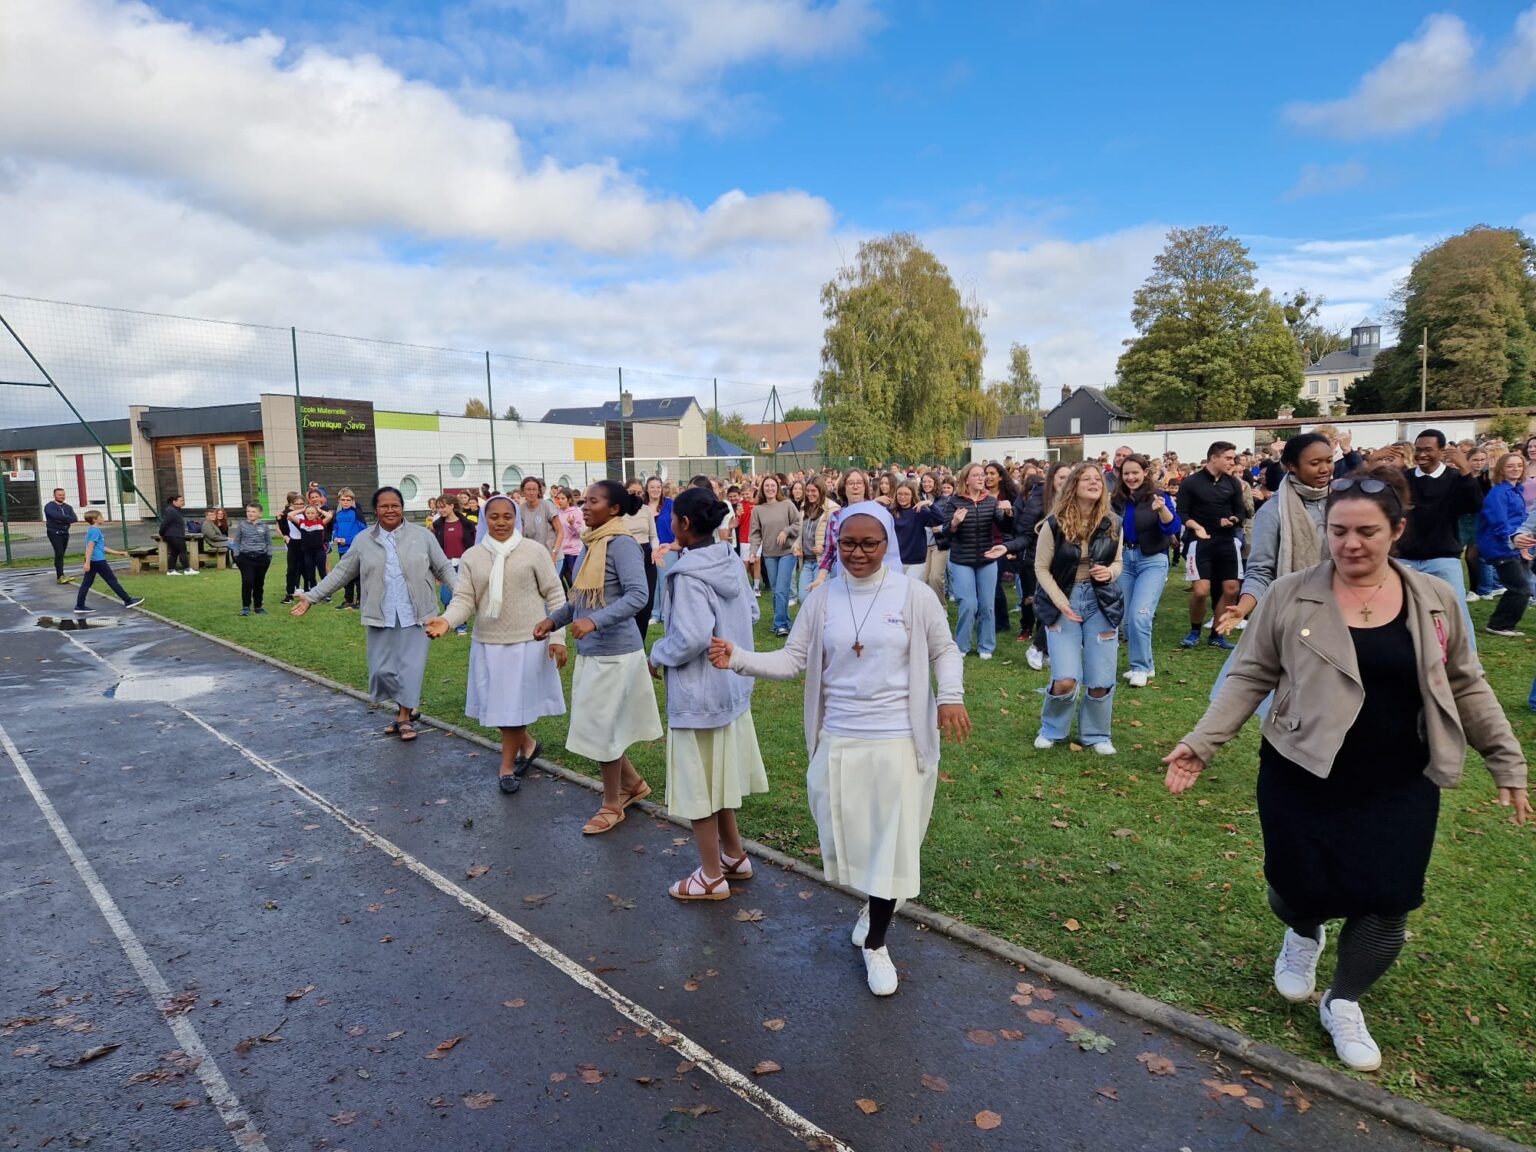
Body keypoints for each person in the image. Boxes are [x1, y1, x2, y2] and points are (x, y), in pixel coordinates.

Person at [1163, 465, 1529, 1073]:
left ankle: (1344, 1000)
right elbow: (1251, 673)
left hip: (1400, 777)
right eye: (1338, 531)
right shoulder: (1290, 594)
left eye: (1366, 532)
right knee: (1295, 889)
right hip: (1300, 770)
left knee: (1387, 899)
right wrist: (1203, 742)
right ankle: (1303, 934)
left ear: (1397, 531)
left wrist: (1506, 762)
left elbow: (1466, 683)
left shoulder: (1434, 599)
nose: (1350, 544)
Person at [711, 502, 970, 995]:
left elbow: (944, 650)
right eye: (848, 542)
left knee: (892, 845)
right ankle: (875, 898)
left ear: (887, 543)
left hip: (897, 737)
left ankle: (876, 944)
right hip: (840, 737)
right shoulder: (823, 598)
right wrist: (739, 658)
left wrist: (950, 697)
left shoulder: (913, 595)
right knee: (846, 836)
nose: (858, 552)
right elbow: (793, 660)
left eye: (869, 543)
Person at [649, 487, 768, 900]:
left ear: (682, 524)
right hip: (731, 686)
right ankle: (733, 855)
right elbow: (751, 612)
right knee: (718, 776)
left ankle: (711, 874)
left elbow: (691, 636)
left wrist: (657, 654)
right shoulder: (730, 560)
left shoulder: (687, 575)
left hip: (699, 693)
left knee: (698, 783)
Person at [533, 480, 662, 835]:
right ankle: (633, 785)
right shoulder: (592, 543)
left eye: (593, 501)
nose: (584, 506)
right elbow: (579, 599)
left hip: (616, 653)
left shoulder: (621, 544)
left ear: (615, 509)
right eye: (583, 500)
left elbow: (639, 595)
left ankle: (612, 804)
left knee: (602, 729)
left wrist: (595, 621)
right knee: (600, 726)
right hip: (593, 652)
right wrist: (554, 620)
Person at [292, 487, 455, 743]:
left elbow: (444, 567)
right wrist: (311, 596)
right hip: (381, 613)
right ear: (375, 510)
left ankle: (403, 716)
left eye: (395, 505)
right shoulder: (364, 539)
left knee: (409, 668)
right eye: (384, 506)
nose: (390, 510)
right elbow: (341, 572)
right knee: (381, 671)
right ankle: (407, 710)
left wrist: (462, 596)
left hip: (418, 613)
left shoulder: (422, 536)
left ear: (402, 508)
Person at [430, 494, 568, 793]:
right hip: (488, 643)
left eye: (508, 516)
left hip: (527, 642)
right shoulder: (472, 557)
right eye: (494, 517)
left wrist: (557, 637)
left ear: (516, 518)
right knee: (500, 707)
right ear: (484, 519)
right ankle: (528, 746)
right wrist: (447, 621)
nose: (501, 522)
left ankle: (506, 767)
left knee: (511, 709)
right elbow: (465, 599)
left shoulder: (534, 551)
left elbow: (556, 595)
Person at [1033, 463, 1124, 754]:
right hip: (1064, 601)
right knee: (1066, 680)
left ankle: (1097, 735)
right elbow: (1041, 568)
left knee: (1100, 679)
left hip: (1101, 603)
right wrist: (1061, 602)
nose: (1094, 483)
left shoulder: (1114, 523)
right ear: (1074, 485)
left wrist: (1109, 573)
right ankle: (1052, 729)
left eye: (1097, 479)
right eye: (1086, 479)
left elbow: (1119, 563)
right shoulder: (1054, 523)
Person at [1397, 430, 1483, 652]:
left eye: (1428, 450)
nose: (1421, 454)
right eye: (1418, 450)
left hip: (1443, 557)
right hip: (1406, 558)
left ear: (1442, 451)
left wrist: (1465, 470)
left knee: (1458, 613)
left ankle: (1469, 663)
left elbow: (1474, 505)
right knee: (1400, 613)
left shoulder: (1455, 479)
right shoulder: (1405, 479)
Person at [1113, 455, 1180, 687]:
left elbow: (1173, 527)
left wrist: (1162, 510)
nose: (1131, 477)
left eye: (1135, 472)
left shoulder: (1158, 497)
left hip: (1152, 560)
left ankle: (1139, 667)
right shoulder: (1118, 500)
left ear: (1145, 473)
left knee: (1140, 615)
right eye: (1126, 473)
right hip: (1125, 561)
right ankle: (1146, 665)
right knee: (1126, 620)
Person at [936, 462, 1010, 659]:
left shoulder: (991, 501)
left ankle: (986, 646)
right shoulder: (954, 502)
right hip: (962, 560)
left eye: (983, 475)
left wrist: (1008, 513)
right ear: (966, 480)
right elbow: (944, 534)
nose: (981, 478)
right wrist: (954, 524)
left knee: (987, 605)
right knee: (968, 604)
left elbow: (1005, 527)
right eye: (976, 475)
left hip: (987, 559)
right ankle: (962, 644)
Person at [1176, 442, 1245, 651]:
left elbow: (1241, 513)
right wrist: (1196, 527)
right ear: (1214, 458)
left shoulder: (1233, 483)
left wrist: (1232, 519)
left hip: (1226, 540)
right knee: (1200, 591)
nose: (1232, 463)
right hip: (1200, 541)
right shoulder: (1191, 483)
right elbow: (1183, 513)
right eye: (1229, 458)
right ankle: (1195, 630)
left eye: (1233, 459)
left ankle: (1217, 633)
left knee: (1232, 588)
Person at [1476, 452, 1532, 637]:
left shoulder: (1517, 491)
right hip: (1499, 547)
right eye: (1510, 466)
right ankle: (1499, 625)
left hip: (1514, 546)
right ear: (1501, 469)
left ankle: (1501, 624)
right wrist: (1513, 540)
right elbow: (1498, 522)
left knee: (1520, 587)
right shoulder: (1498, 493)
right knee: (1520, 588)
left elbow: (1521, 521)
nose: (1515, 469)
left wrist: (1523, 545)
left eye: (1519, 465)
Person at [748, 474, 802, 637]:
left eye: (773, 486)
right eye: (767, 486)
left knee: (781, 589)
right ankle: (785, 621)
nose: (770, 489)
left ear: (778, 488)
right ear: (762, 489)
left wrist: (786, 531)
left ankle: (779, 625)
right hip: (769, 554)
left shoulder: (787, 504)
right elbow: (755, 533)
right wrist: (753, 551)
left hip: (787, 552)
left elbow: (799, 524)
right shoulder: (758, 510)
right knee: (776, 590)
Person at [72, 510, 143, 614]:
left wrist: (118, 553)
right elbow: (90, 547)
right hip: (97, 561)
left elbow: (102, 547)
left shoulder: (93, 530)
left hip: (95, 561)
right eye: (100, 516)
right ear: (95, 519)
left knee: (86, 584)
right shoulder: (95, 531)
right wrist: (87, 563)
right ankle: (128, 600)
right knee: (111, 580)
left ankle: (79, 606)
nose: (103, 518)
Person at [622, 478, 662, 636]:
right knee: (629, 599)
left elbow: (654, 536)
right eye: (632, 492)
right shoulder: (618, 510)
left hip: (646, 555)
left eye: (639, 493)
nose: (636, 495)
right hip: (626, 554)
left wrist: (655, 549)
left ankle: (641, 642)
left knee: (647, 602)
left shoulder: (646, 510)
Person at [1460, 449, 1500, 600]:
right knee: (1456, 553)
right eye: (1476, 460)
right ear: (1468, 460)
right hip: (1462, 518)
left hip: (1480, 519)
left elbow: (1491, 498)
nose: (1479, 463)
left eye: (1482, 460)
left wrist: (1490, 478)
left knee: (1472, 556)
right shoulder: (1461, 477)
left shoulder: (1486, 478)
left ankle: (1475, 590)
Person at [430, 494, 473, 634]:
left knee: (460, 594)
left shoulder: (466, 524)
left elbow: (472, 546)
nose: (440, 510)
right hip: (445, 566)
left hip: (463, 565)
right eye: (438, 508)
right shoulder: (437, 526)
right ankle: (450, 621)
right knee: (446, 597)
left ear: (452, 506)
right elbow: (435, 548)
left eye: (443, 507)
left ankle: (461, 626)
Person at [228, 501, 275, 616]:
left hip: (262, 558)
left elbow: (268, 542)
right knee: (248, 581)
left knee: (259, 583)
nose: (250, 513)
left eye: (253, 512)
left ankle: (258, 606)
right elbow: (236, 542)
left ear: (260, 514)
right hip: (245, 558)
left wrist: (268, 556)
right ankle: (245, 606)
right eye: (248, 511)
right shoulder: (242, 525)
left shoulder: (264, 527)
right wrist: (236, 555)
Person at [796, 478, 836, 604]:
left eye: (813, 491)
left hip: (822, 561)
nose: (809, 494)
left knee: (819, 598)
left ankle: (820, 623)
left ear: (821, 490)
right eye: (807, 491)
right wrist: (797, 546)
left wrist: (824, 547)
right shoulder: (804, 508)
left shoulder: (832, 509)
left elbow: (837, 537)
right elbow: (800, 532)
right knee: (803, 597)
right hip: (807, 561)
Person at [330, 488, 367, 610]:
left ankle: (361, 600)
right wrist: (335, 538)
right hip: (342, 550)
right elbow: (335, 529)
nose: (345, 502)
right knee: (346, 576)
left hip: (356, 549)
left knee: (358, 576)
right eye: (343, 500)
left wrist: (348, 540)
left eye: (348, 500)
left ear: (352, 501)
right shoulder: (338, 514)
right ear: (339, 501)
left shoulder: (357, 513)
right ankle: (348, 600)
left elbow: (363, 531)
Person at [645, 476, 675, 627]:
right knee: (652, 583)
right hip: (649, 550)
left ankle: (665, 613)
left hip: (667, 548)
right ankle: (655, 613)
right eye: (652, 487)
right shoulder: (643, 507)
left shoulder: (670, 504)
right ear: (647, 489)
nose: (656, 490)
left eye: (658, 487)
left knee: (665, 582)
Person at [553, 486, 585, 588]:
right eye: (558, 498)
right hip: (560, 552)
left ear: (569, 500)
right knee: (558, 578)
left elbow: (581, 533)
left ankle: (577, 600)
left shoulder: (577, 512)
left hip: (573, 552)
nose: (560, 501)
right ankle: (565, 599)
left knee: (573, 579)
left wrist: (572, 524)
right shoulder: (557, 513)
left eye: (563, 498)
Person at [44, 487, 77, 584]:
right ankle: (60, 576)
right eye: (59, 495)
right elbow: (54, 516)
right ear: (54, 495)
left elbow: (74, 518)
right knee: (59, 553)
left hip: (65, 532)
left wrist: (62, 519)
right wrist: (66, 519)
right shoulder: (49, 506)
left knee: (62, 554)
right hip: (54, 532)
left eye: (63, 495)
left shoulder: (68, 507)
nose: (62, 496)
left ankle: (61, 575)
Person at [160, 494, 193, 576]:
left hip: (175, 534)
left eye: (182, 501)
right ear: (174, 502)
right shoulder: (170, 510)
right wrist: (161, 532)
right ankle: (187, 569)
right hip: (174, 534)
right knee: (182, 551)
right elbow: (165, 523)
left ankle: (171, 570)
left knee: (174, 552)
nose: (182, 502)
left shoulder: (176, 510)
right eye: (180, 501)